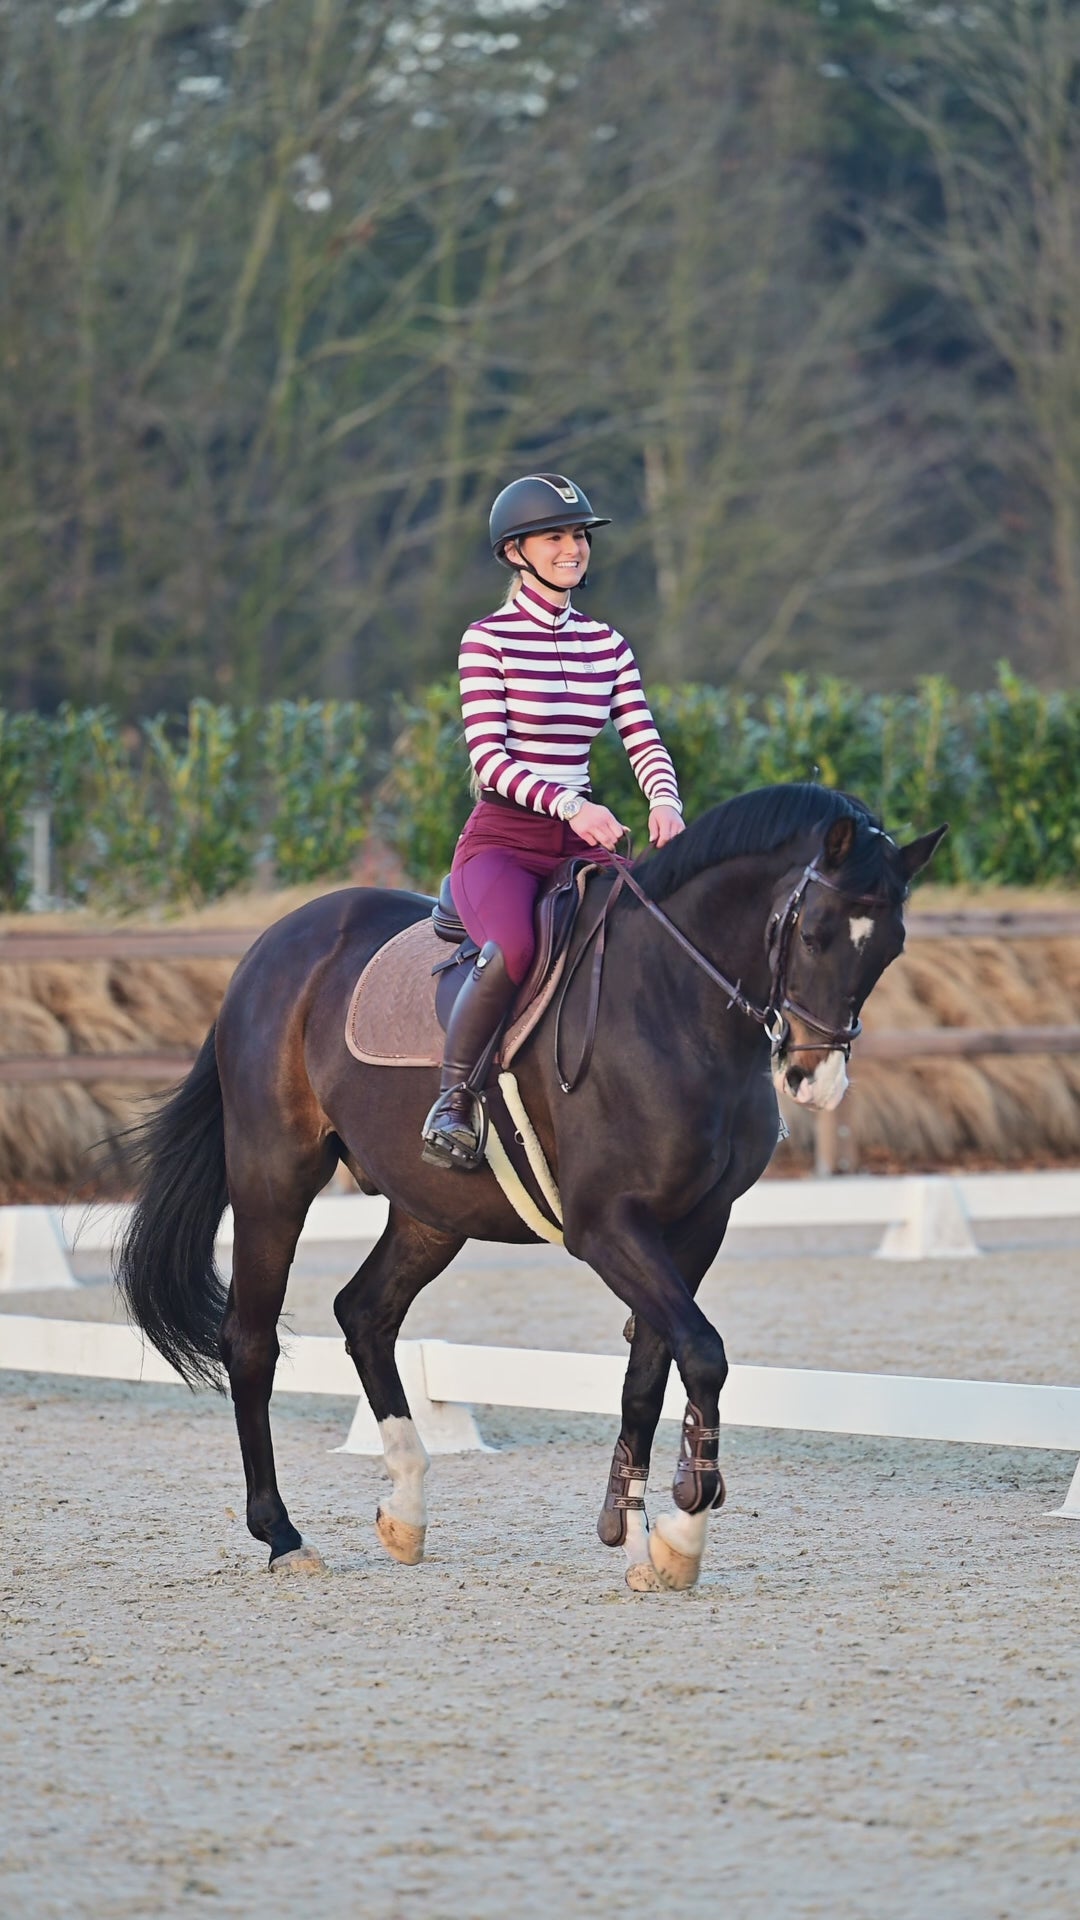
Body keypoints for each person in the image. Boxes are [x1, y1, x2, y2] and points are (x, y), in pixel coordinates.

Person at [420, 472, 685, 1170]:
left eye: (578, 536)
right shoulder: (487, 641)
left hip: (584, 840)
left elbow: (641, 736)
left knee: (661, 935)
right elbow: (489, 759)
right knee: (512, 948)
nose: (572, 548)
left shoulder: (608, 644)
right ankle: (452, 1101)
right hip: (504, 841)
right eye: (555, 537)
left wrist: (664, 801)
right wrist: (572, 804)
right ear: (516, 553)